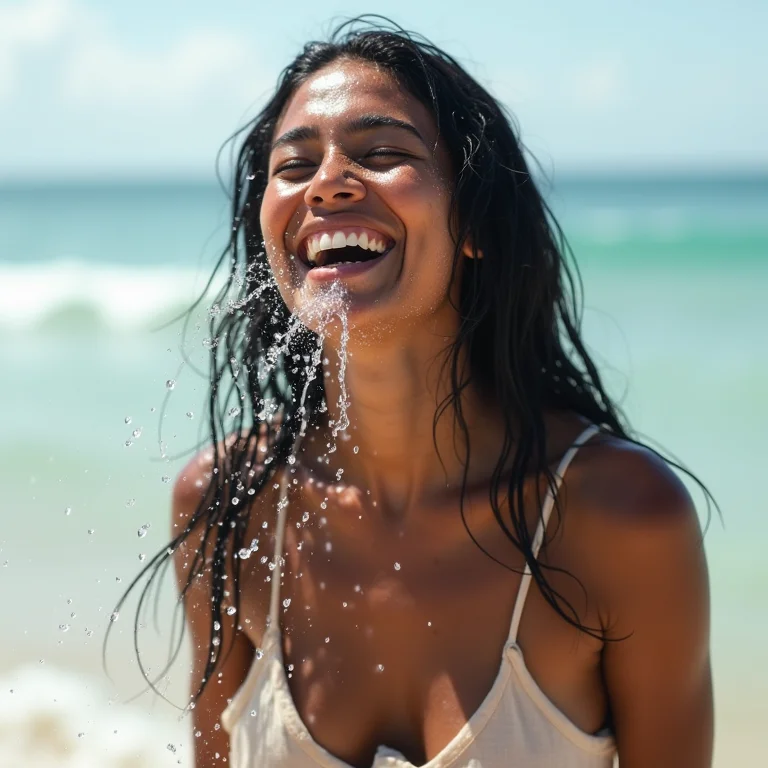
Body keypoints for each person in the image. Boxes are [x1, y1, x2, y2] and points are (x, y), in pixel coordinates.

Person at [164, 17, 712, 768]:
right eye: (292, 167)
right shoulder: (227, 501)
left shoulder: (619, 518)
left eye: (383, 152)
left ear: (477, 222)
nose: (326, 183)